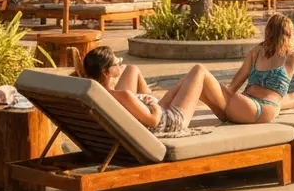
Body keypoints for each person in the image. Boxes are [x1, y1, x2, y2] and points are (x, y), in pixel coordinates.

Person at [200, 14, 294, 124]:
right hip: (255, 105)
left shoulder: (292, 57)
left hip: (264, 107)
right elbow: (232, 88)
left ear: (268, 32)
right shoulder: (256, 52)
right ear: (288, 34)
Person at [83, 47, 222, 136]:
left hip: (155, 115)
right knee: (199, 71)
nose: (121, 64)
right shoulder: (123, 95)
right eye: (117, 63)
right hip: (169, 122)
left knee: (185, 81)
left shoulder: (95, 93)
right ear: (106, 72)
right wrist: (154, 106)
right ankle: (227, 110)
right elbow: (154, 121)